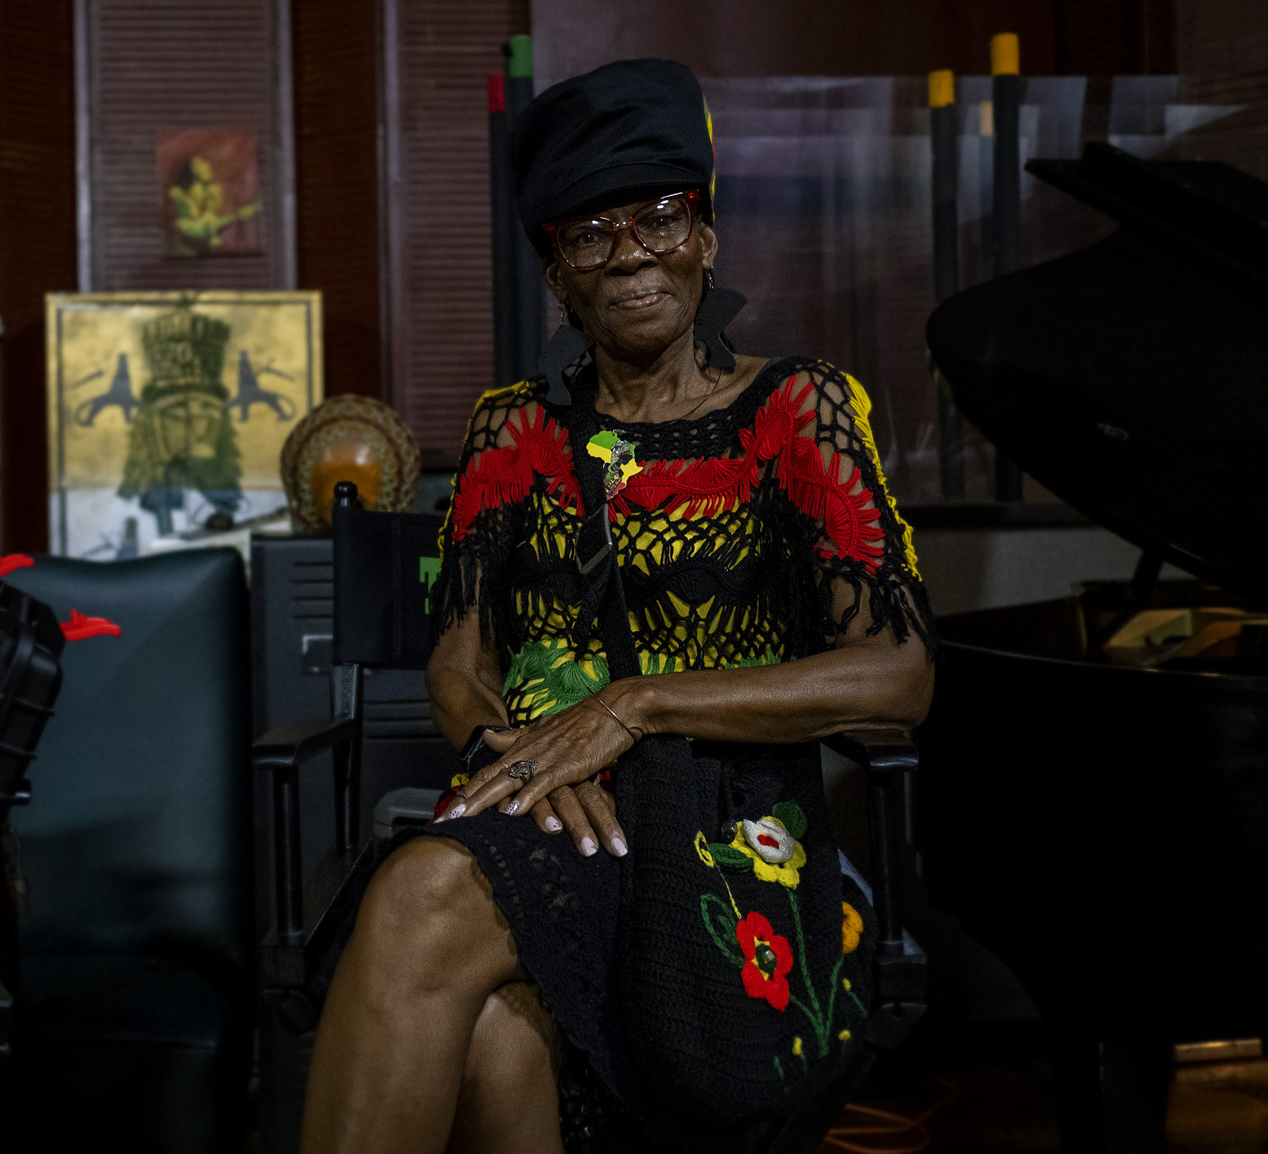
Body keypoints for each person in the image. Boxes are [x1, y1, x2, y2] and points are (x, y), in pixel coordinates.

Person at [300, 59, 934, 1153]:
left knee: (415, 900)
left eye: (662, 217)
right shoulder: (513, 430)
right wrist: (524, 757)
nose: (634, 251)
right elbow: (456, 665)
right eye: (592, 233)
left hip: (730, 824)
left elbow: (898, 675)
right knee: (494, 1028)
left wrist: (632, 706)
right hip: (552, 803)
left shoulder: (796, 407)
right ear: (557, 272)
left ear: (708, 234)